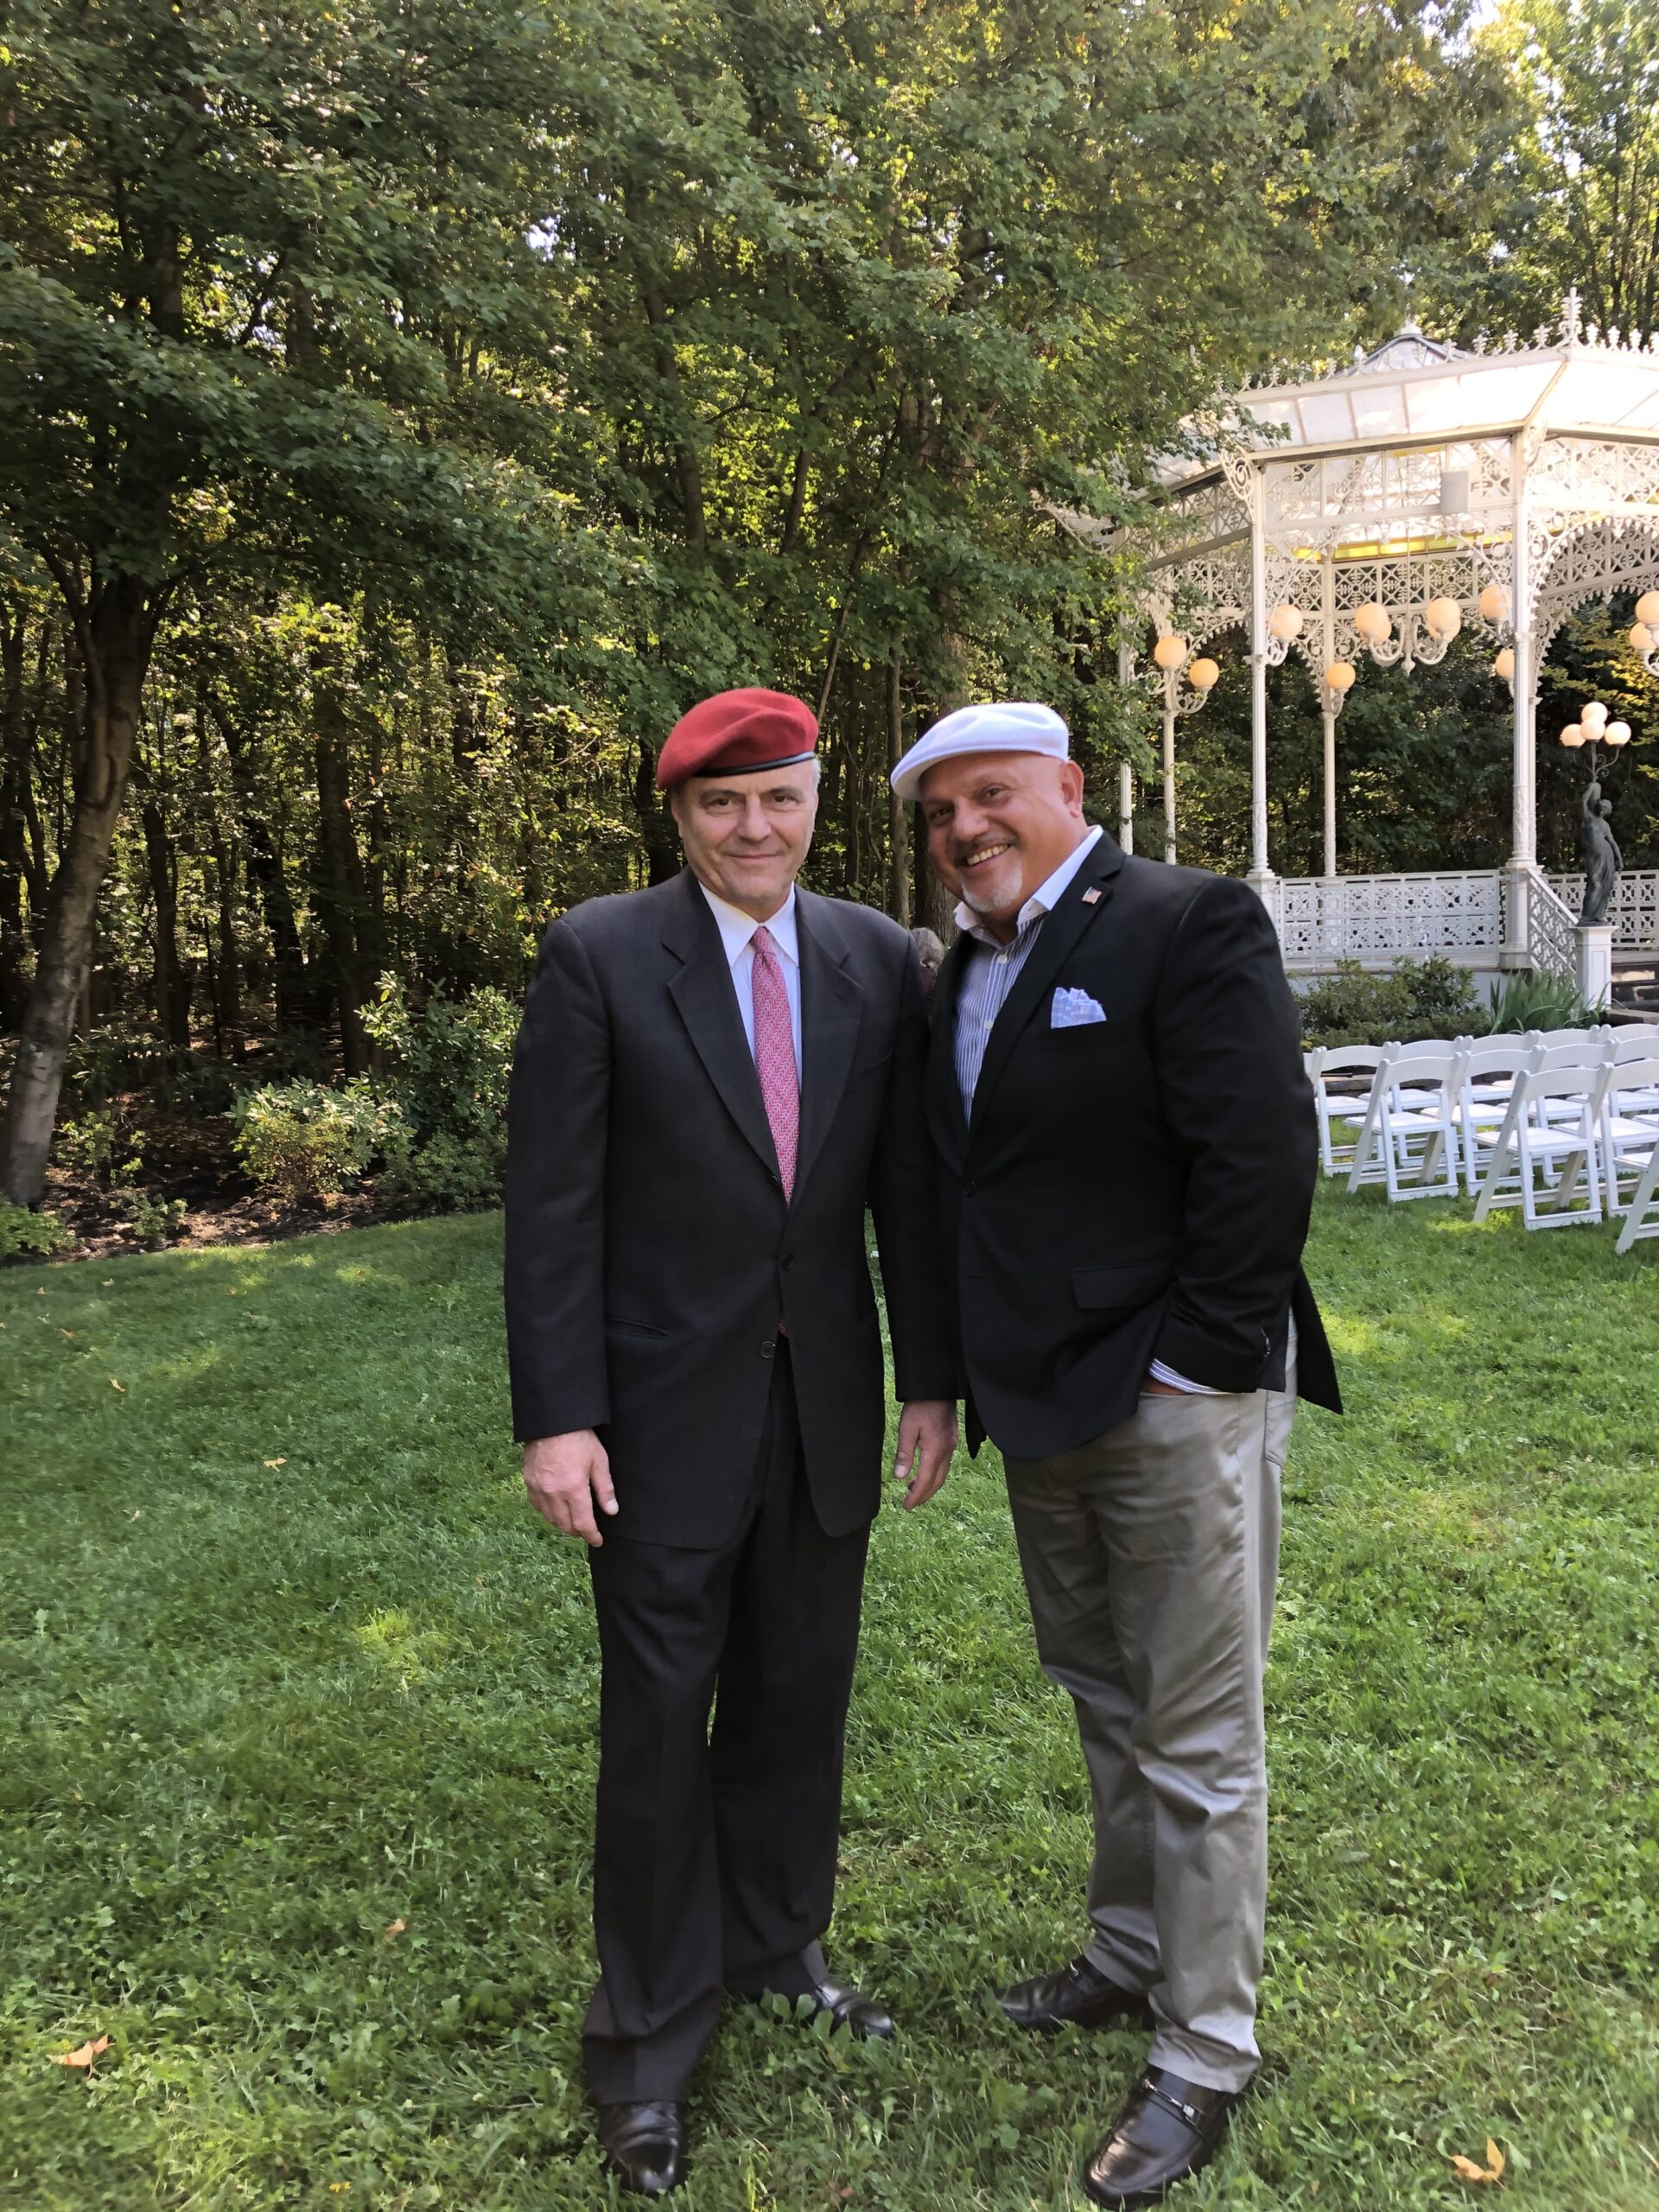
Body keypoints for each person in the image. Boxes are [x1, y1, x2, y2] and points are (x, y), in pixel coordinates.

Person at [505, 687, 958, 2197]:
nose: (755, 828)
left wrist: (929, 1381)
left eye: (779, 797)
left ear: (818, 800)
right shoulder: (599, 955)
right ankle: (643, 2043)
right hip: (654, 1421)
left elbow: (906, 1191)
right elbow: (553, 1207)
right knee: (657, 1728)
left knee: (796, 1701)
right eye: (722, 803)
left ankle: (776, 1947)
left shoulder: (877, 958)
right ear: (681, 815)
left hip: (823, 1407)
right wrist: (558, 1416)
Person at [891, 701, 1341, 2211]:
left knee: (1198, 1732)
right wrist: (948, 1377)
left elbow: (1262, 1154)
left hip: (1172, 1400)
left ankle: (1207, 2048)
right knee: (1102, 1690)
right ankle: (1132, 1952)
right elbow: (957, 1192)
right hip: (1040, 1403)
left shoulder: (1183, 921)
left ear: (1069, 789)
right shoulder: (958, 968)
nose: (966, 829)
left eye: (992, 795)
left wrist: (1196, 1360)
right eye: (941, 812)